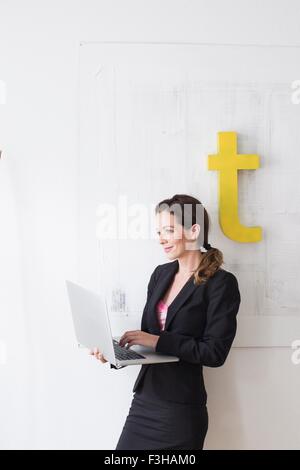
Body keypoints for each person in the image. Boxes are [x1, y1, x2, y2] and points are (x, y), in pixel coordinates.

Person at [90, 194, 241, 450]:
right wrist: (116, 353)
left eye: (169, 230)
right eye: (159, 231)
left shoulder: (221, 284)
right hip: (144, 401)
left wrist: (157, 340)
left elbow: (215, 353)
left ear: (194, 231)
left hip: (180, 411)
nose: (161, 238)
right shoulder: (161, 274)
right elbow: (148, 343)